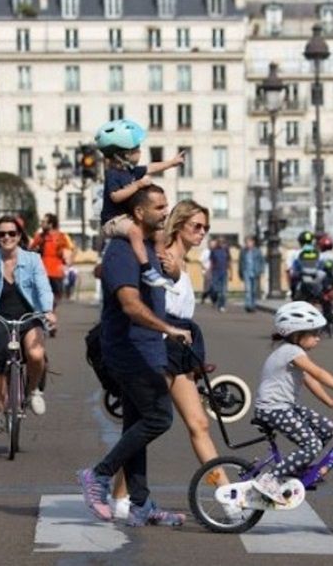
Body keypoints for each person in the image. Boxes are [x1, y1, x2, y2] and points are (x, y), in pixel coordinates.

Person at [77, 184, 190, 528]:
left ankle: (140, 504)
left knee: (135, 426)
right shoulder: (122, 252)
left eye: (166, 205)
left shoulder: (148, 251)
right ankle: (98, 474)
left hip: (148, 349)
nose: (165, 211)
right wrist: (168, 329)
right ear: (139, 213)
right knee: (159, 418)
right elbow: (129, 305)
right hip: (129, 352)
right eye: (158, 206)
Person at [109, 200, 228, 520]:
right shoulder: (166, 258)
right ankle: (116, 491)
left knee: (197, 424)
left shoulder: (180, 260)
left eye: (206, 227)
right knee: (145, 425)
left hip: (179, 349)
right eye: (196, 226)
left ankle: (227, 498)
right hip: (160, 347)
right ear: (179, 226)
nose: (202, 232)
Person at [251, 301, 333, 503]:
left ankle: (298, 469)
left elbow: (309, 380)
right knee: (311, 445)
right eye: (313, 333)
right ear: (296, 333)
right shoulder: (292, 352)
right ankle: (271, 478)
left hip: (285, 407)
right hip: (273, 409)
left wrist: (330, 402)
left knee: (326, 428)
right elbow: (318, 372)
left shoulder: (293, 352)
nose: (318, 337)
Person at [0, 215, 54, 432]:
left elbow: (43, 287)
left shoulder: (32, 259)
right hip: (0, 317)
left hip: (29, 316)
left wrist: (47, 310)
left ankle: (34, 390)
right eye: (1, 234)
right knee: (0, 359)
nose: (7, 237)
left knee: (36, 355)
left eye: (11, 233)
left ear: (19, 235)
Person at [95, 118, 185, 289]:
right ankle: (147, 270)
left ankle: (160, 265)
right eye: (136, 149)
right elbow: (115, 196)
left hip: (127, 217)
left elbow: (151, 167)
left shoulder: (130, 170)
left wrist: (172, 163)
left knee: (158, 234)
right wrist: (137, 185)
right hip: (113, 220)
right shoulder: (113, 174)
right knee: (136, 231)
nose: (140, 152)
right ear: (123, 155)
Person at [30, 214, 73, 305]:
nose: (41, 223)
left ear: (50, 224)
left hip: (56, 271)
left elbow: (69, 251)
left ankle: (50, 311)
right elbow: (31, 250)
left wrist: (65, 257)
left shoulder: (61, 237)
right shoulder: (39, 237)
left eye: (44, 222)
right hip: (43, 271)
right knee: (43, 295)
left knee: (56, 295)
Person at [238, 235, 265, 313]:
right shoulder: (243, 251)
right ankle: (248, 305)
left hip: (255, 272)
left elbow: (262, 261)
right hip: (246, 272)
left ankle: (253, 305)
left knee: (254, 290)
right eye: (246, 242)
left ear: (253, 243)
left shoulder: (257, 251)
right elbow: (240, 262)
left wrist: (261, 270)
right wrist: (240, 272)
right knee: (248, 290)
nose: (248, 244)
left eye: (249, 242)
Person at [207, 236, 230, 311]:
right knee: (215, 289)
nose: (221, 243)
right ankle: (215, 300)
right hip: (215, 272)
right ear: (217, 242)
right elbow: (211, 262)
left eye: (223, 242)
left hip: (224, 273)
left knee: (223, 291)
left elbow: (229, 262)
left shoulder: (226, 250)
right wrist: (209, 272)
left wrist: (231, 273)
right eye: (219, 241)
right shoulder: (214, 250)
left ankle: (222, 305)